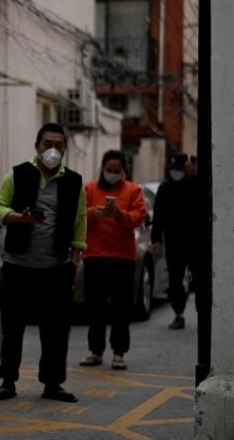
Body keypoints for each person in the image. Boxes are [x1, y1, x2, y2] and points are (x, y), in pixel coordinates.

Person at [0, 123, 86, 403]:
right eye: (47, 144)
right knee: (11, 326)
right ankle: (7, 381)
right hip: (18, 264)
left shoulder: (74, 181)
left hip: (57, 266)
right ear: (36, 146)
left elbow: (81, 218)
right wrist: (19, 217)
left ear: (65, 148)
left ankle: (53, 384)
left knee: (55, 329)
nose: (52, 150)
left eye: (59, 145)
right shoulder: (18, 175)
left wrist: (78, 251)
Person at [78, 150, 147, 371]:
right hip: (95, 256)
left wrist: (120, 215)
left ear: (123, 171)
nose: (113, 174)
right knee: (95, 307)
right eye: (109, 170)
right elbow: (78, 215)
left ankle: (119, 353)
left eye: (117, 171)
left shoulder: (133, 190)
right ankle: (95, 351)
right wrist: (93, 213)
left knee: (121, 309)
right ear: (102, 168)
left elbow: (139, 218)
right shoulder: (89, 188)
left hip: (122, 258)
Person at [151, 152, 198, 329]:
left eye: (178, 169)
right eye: (173, 169)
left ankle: (204, 312)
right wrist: (157, 240)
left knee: (200, 278)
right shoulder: (165, 188)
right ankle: (178, 313)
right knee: (175, 280)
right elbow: (158, 217)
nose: (175, 172)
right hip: (174, 242)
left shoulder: (194, 184)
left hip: (195, 241)